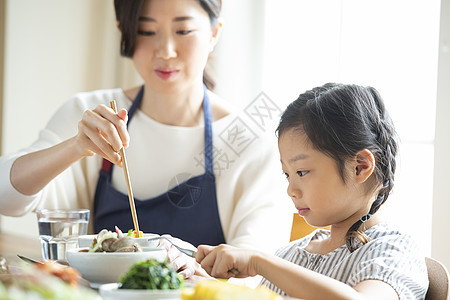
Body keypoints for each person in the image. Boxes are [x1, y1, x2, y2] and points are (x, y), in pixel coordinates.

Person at [0, 0, 291, 277]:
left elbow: (258, 272)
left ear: (214, 33)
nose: (165, 50)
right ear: (123, 32)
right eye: (146, 31)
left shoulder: (248, 140)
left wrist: (196, 274)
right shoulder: (88, 114)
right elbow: (6, 198)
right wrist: (75, 146)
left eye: (183, 30)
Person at [195, 83, 429, 299]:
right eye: (287, 174)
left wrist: (258, 261)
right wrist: (200, 284)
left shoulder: (394, 252)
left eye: (302, 172)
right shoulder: (290, 255)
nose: (291, 190)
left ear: (360, 167)